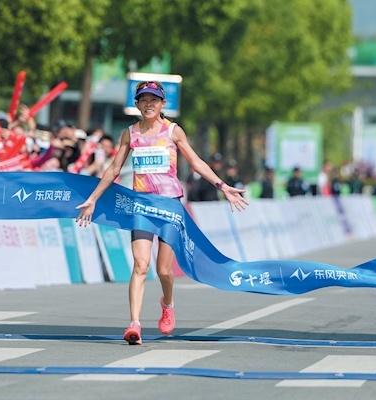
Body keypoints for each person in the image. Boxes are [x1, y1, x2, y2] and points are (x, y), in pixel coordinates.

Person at [75, 81, 248, 345]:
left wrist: (222, 186)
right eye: (143, 100)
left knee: (164, 270)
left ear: (162, 104)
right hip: (142, 207)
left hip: (169, 206)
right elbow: (114, 169)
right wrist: (92, 199)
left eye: (154, 100)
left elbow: (196, 162)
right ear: (137, 104)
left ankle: (167, 303)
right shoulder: (130, 134)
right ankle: (134, 324)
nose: (149, 104)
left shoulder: (173, 131)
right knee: (140, 265)